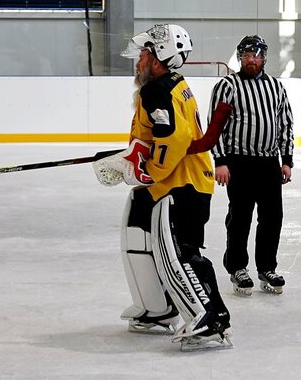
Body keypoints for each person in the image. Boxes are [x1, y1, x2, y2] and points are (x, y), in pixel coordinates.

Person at [92, 24, 232, 351]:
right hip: (167, 183)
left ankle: (211, 317)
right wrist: (132, 157)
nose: (138, 61)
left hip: (182, 184)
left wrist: (147, 170)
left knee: (180, 251)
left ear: (158, 59)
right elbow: (158, 136)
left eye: (143, 55)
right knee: (136, 231)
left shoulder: (157, 90)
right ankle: (156, 308)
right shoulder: (167, 84)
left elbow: (174, 138)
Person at [209, 35, 294, 296]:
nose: (251, 60)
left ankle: (267, 267)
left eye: (256, 55)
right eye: (246, 55)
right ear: (240, 58)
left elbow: (285, 124)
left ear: (263, 58)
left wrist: (286, 160)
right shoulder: (228, 85)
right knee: (240, 217)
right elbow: (216, 126)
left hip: (269, 163)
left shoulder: (276, 87)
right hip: (239, 162)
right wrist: (220, 161)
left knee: (272, 218)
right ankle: (237, 267)